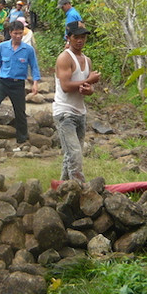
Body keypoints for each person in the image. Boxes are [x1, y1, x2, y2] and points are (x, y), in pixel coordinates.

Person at [53, 21, 101, 183]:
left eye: (83, 37)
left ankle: (61, 190)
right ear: (68, 38)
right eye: (76, 37)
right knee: (75, 154)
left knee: (71, 156)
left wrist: (90, 88)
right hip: (64, 112)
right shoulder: (64, 58)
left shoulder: (87, 60)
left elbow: (87, 87)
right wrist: (89, 80)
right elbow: (65, 86)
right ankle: (80, 189)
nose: (80, 41)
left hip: (80, 112)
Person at [0, 21, 41, 144]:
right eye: (16, 33)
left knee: (20, 111)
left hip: (18, 84)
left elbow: (34, 67)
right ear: (10, 33)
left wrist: (35, 83)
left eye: (21, 34)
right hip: (3, 82)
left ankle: (22, 138)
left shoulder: (28, 49)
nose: (18, 36)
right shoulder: (3, 47)